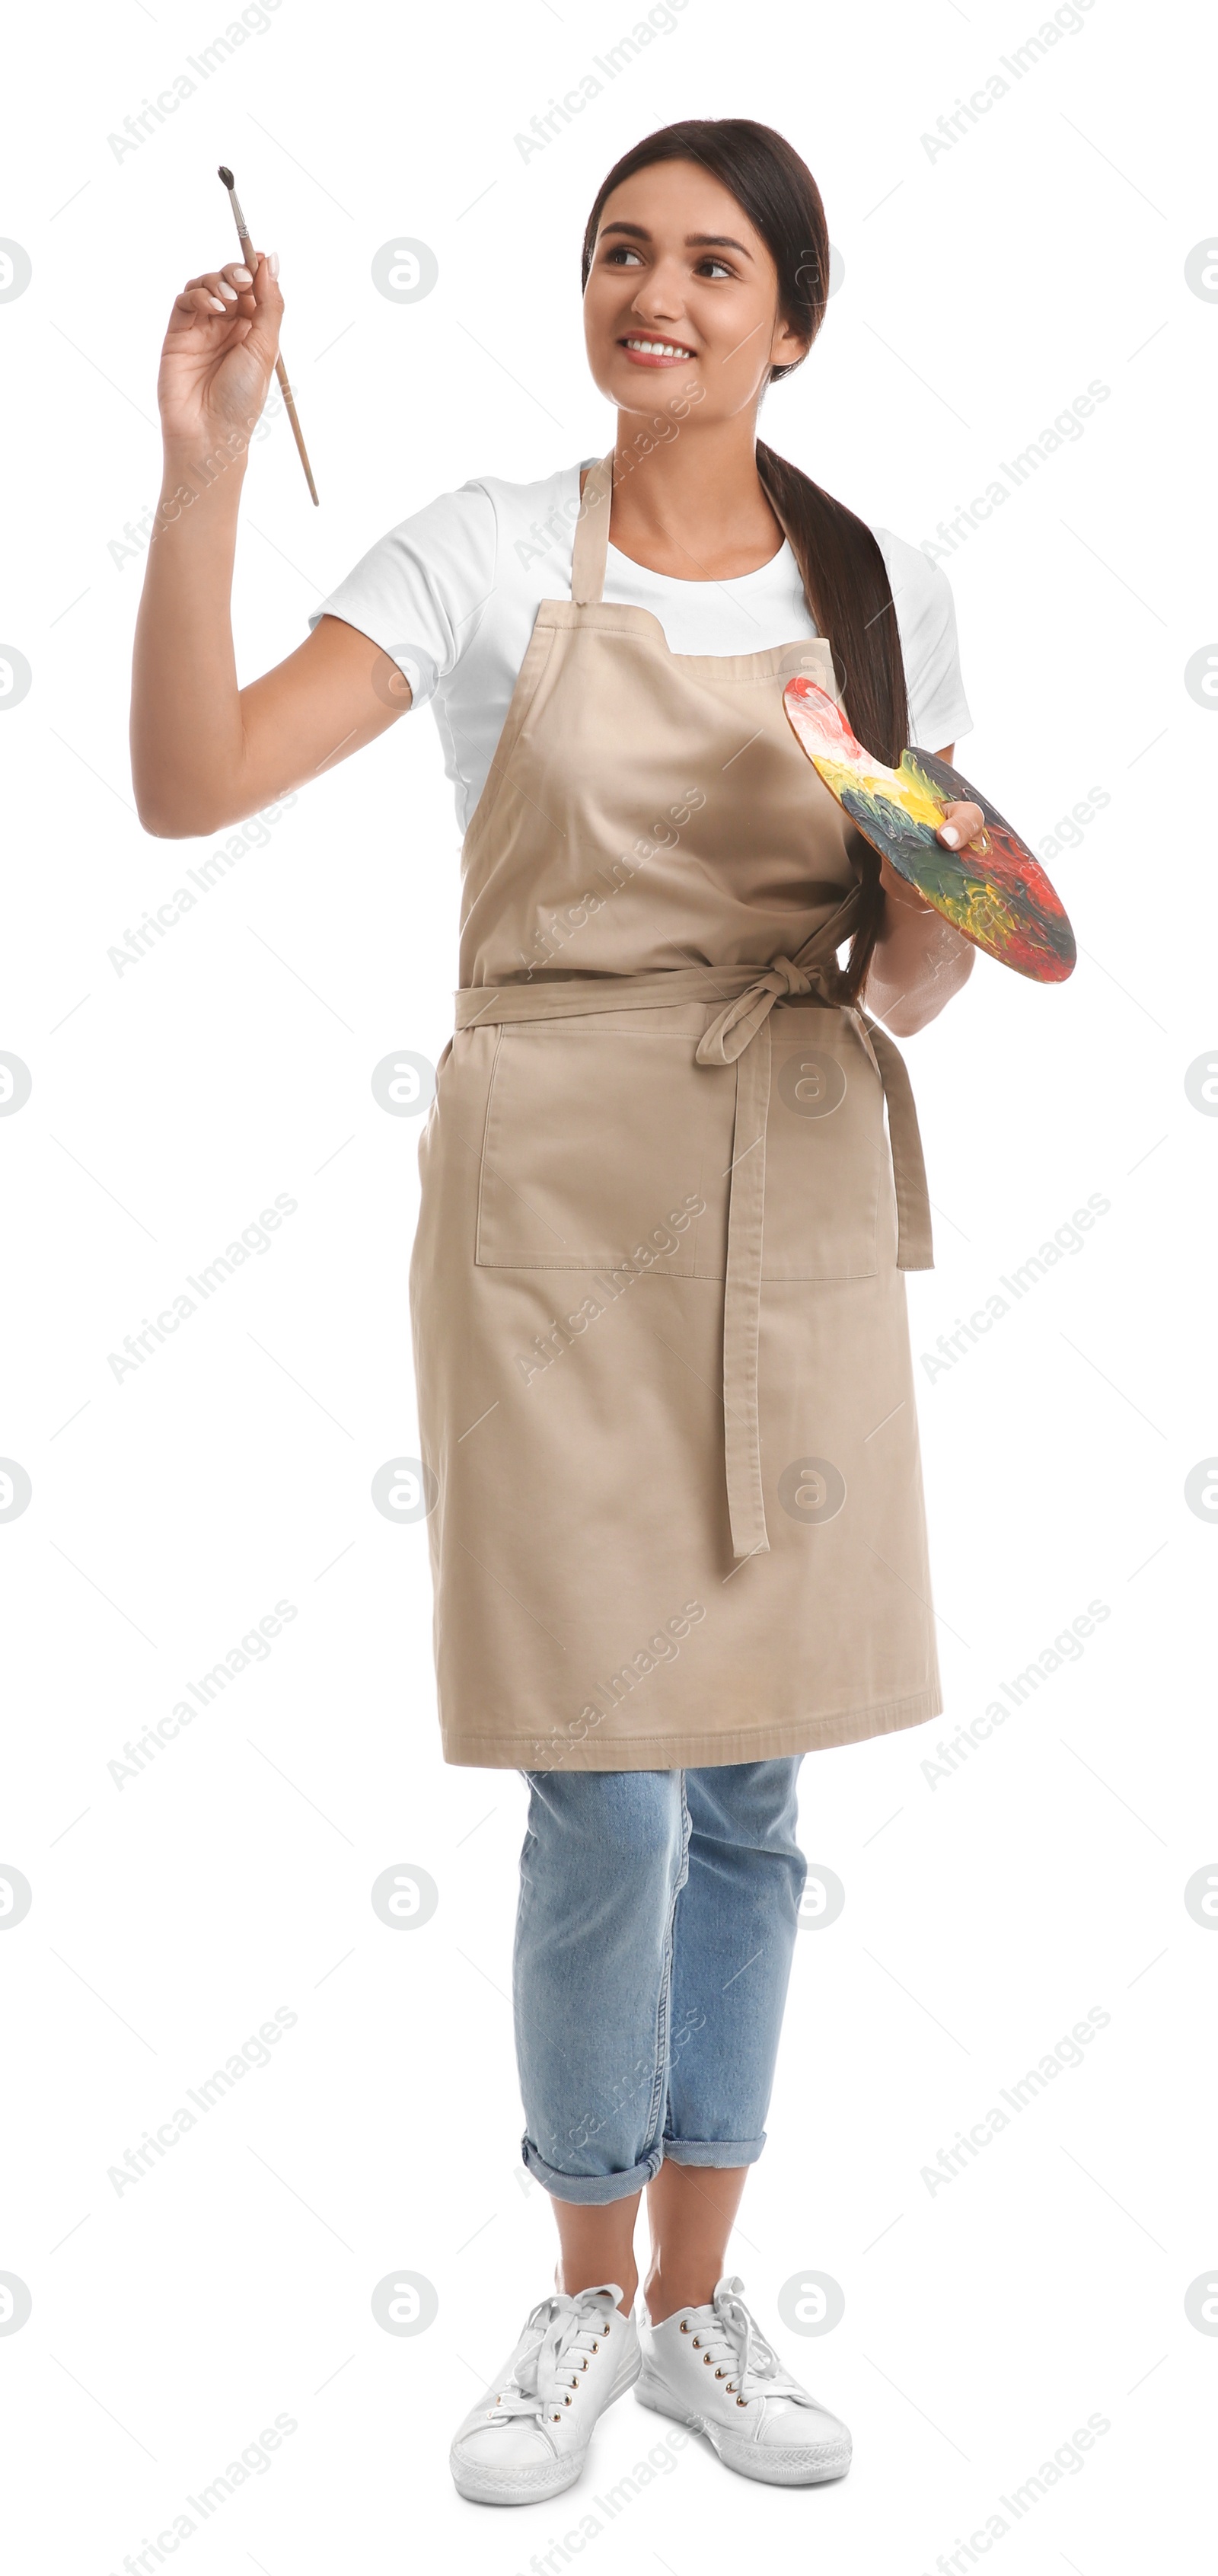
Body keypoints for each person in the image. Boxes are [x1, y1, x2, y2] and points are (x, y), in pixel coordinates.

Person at [131, 117, 985, 2506]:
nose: (663, 293)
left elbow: (909, 986)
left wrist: (949, 901)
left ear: (791, 322)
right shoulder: (496, 557)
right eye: (625, 252)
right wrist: (203, 469)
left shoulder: (881, 584)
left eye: (719, 265)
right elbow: (189, 780)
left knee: (755, 1780)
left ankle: (705, 2304)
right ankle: (581, 2290)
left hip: (788, 1186)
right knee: (596, 1786)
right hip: (548, 1205)